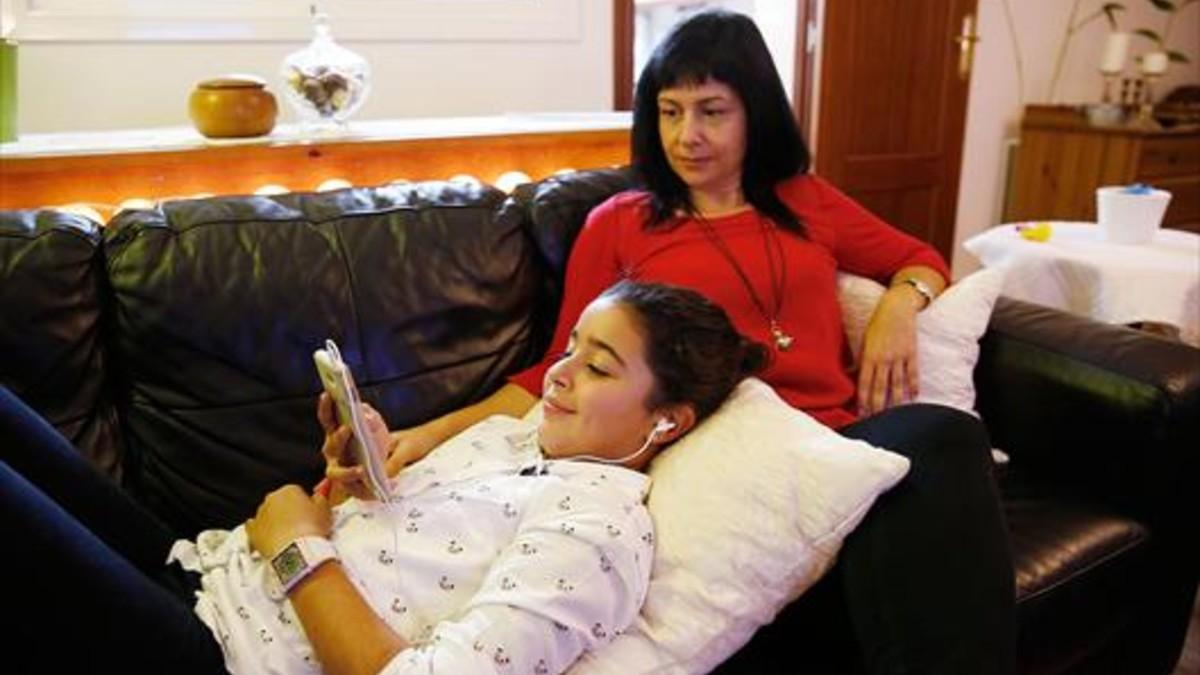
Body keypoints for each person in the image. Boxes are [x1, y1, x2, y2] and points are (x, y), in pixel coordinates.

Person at [382, 10, 1017, 675]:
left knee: (936, 455)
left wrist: (898, 304)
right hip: (719, 456)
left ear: (756, 114)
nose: (688, 135)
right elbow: (555, 371)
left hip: (834, 448)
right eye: (670, 111)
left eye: (712, 111)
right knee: (941, 445)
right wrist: (422, 435)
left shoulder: (806, 201)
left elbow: (919, 257)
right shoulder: (621, 224)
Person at [0, 280, 767, 675]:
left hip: (222, 654)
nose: (559, 375)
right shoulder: (515, 433)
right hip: (205, 569)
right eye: (571, 347)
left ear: (668, 420)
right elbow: (389, 544)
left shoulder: (597, 537)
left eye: (598, 366)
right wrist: (351, 474)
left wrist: (296, 547)